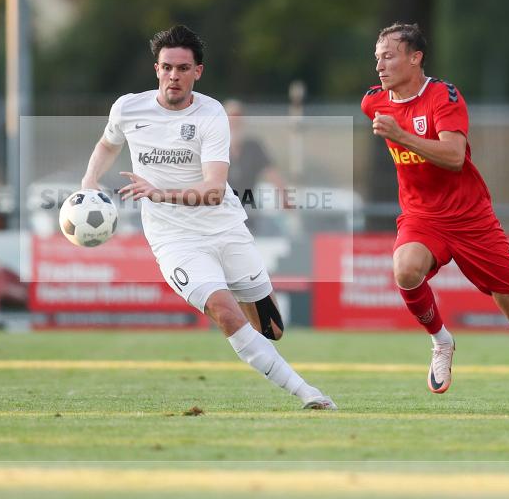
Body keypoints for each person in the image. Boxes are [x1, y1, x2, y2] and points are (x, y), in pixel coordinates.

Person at [80, 25, 336, 410]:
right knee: (223, 311)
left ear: (197, 72)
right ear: (156, 69)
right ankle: (308, 393)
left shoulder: (211, 113)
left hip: (224, 226)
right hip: (175, 240)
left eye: (183, 68)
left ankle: (244, 307)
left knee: (272, 329)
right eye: (167, 67)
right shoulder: (128, 108)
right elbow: (106, 143)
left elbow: (214, 189)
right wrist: (89, 181)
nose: (173, 76)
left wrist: (157, 192)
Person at [361, 23, 509, 412]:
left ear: (415, 58)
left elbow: (452, 156)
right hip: (422, 216)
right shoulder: (373, 102)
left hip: (471, 220)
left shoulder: (443, 97)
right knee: (405, 269)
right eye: (377, 58)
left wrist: (401, 136)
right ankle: (441, 341)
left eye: (389, 56)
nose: (380, 66)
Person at [223, 99, 293, 231]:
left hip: (248, 215)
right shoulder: (216, 147)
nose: (234, 121)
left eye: (238, 116)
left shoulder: (253, 147)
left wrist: (285, 198)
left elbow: (272, 174)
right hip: (221, 214)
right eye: (230, 117)